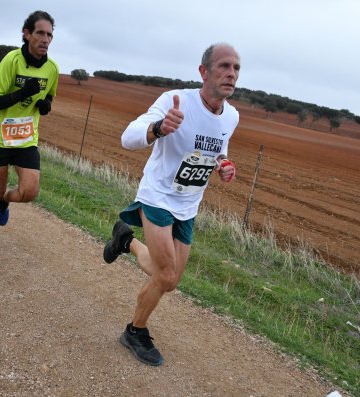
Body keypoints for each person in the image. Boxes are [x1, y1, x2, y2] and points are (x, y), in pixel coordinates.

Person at [103, 43, 240, 366]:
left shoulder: (232, 115)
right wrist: (158, 127)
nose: (231, 74)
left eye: (236, 68)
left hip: (189, 203)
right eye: (223, 66)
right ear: (203, 72)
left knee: (172, 279)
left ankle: (126, 241)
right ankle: (135, 331)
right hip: (158, 196)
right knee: (165, 276)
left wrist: (223, 164)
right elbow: (129, 136)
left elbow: (217, 148)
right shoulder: (174, 101)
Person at [0, 10, 59, 250]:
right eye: (40, 33)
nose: (45, 39)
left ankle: (4, 202)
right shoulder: (11, 60)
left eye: (50, 34)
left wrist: (45, 105)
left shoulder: (51, 69)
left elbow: (49, 96)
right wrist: (22, 93)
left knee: (29, 191)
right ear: (27, 34)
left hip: (26, 138)